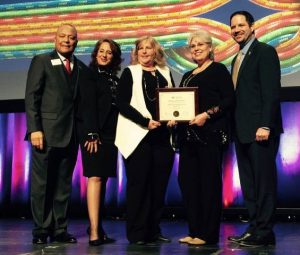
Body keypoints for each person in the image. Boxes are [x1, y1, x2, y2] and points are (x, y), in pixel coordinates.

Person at [25, 24, 98, 244]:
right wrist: (34, 129)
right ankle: (41, 230)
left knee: (63, 185)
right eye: (63, 36)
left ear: (77, 41)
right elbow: (32, 97)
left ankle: (59, 229)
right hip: (45, 134)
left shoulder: (81, 68)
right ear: (55, 38)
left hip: (71, 135)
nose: (67, 40)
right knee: (42, 185)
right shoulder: (42, 61)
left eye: (72, 37)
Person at [228, 11, 283, 247]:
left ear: (252, 27)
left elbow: (271, 92)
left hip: (260, 131)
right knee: (249, 185)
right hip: (242, 131)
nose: (237, 29)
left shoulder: (265, 52)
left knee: (264, 184)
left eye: (241, 25)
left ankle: (265, 232)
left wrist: (265, 124)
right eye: (233, 26)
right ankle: (254, 228)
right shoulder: (235, 59)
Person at [176, 30, 234, 245]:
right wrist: (174, 118)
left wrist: (207, 115)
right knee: (188, 184)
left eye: (201, 44)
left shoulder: (219, 70)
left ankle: (207, 234)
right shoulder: (187, 75)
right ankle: (194, 231)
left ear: (210, 48)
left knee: (208, 185)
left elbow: (229, 100)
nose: (196, 48)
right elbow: (179, 103)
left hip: (210, 136)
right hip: (187, 138)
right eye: (193, 46)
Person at [115, 36, 175, 244]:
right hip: (138, 136)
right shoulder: (130, 72)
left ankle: (153, 230)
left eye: (148, 48)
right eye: (140, 48)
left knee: (158, 188)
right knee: (139, 187)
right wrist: (145, 121)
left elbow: (174, 100)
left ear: (155, 51)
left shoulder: (165, 73)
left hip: (162, 138)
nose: (144, 51)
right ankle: (137, 233)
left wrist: (174, 118)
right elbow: (121, 103)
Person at [78, 38, 122, 246]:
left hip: (111, 135)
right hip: (94, 135)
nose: (104, 55)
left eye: (109, 52)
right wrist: (91, 133)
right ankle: (94, 232)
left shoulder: (115, 78)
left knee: (103, 179)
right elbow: (87, 106)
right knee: (95, 177)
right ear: (95, 54)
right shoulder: (89, 76)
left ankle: (98, 227)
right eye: (101, 51)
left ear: (115, 57)